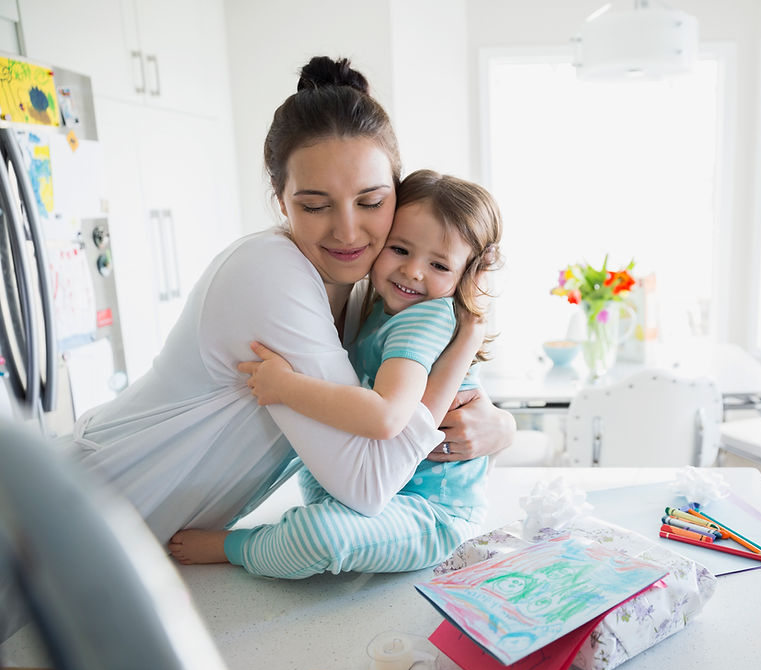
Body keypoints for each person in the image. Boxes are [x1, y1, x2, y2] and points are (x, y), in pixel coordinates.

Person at [63, 56, 515, 548]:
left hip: (130, 541)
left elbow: (393, 402)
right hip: (74, 518)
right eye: (315, 205)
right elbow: (370, 482)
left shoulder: (365, 291)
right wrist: (466, 344)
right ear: (281, 201)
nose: (348, 231)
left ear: (396, 197)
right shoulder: (269, 273)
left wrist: (500, 427)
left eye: (370, 202)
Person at [167, 169, 504, 578]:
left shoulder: (426, 316)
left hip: (433, 515)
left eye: (438, 264)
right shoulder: (383, 307)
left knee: (319, 538)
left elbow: (386, 417)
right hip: (380, 496)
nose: (413, 271)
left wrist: (286, 387)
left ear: (467, 276)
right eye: (400, 249)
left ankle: (236, 547)